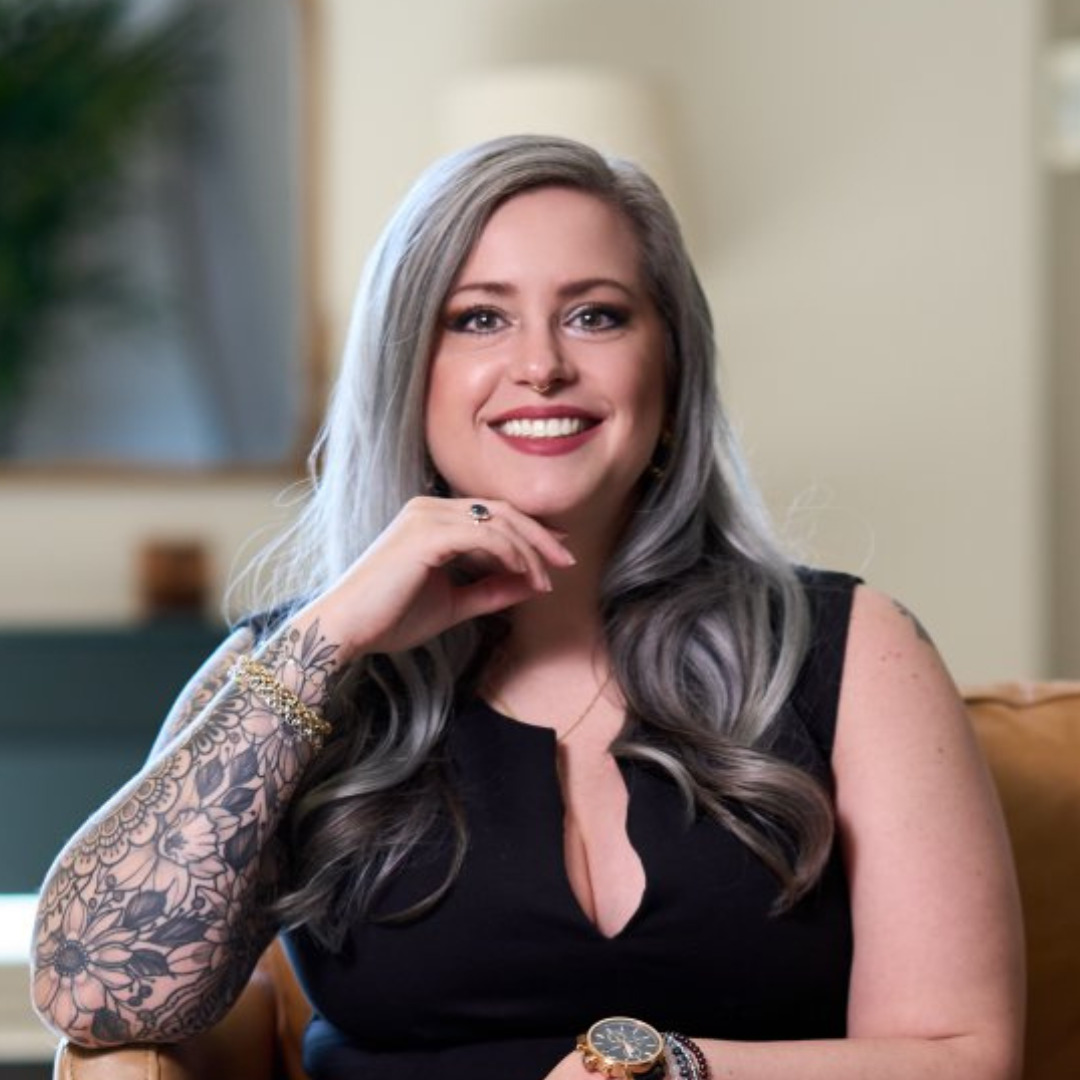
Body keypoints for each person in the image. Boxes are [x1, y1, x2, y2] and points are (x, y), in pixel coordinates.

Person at [32, 135, 1024, 1080]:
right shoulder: (292, 664)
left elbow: (958, 1055)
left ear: (671, 369)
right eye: (479, 319)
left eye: (595, 315)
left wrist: (663, 1071)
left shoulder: (848, 649)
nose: (542, 364)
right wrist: (330, 637)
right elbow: (93, 996)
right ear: (406, 375)